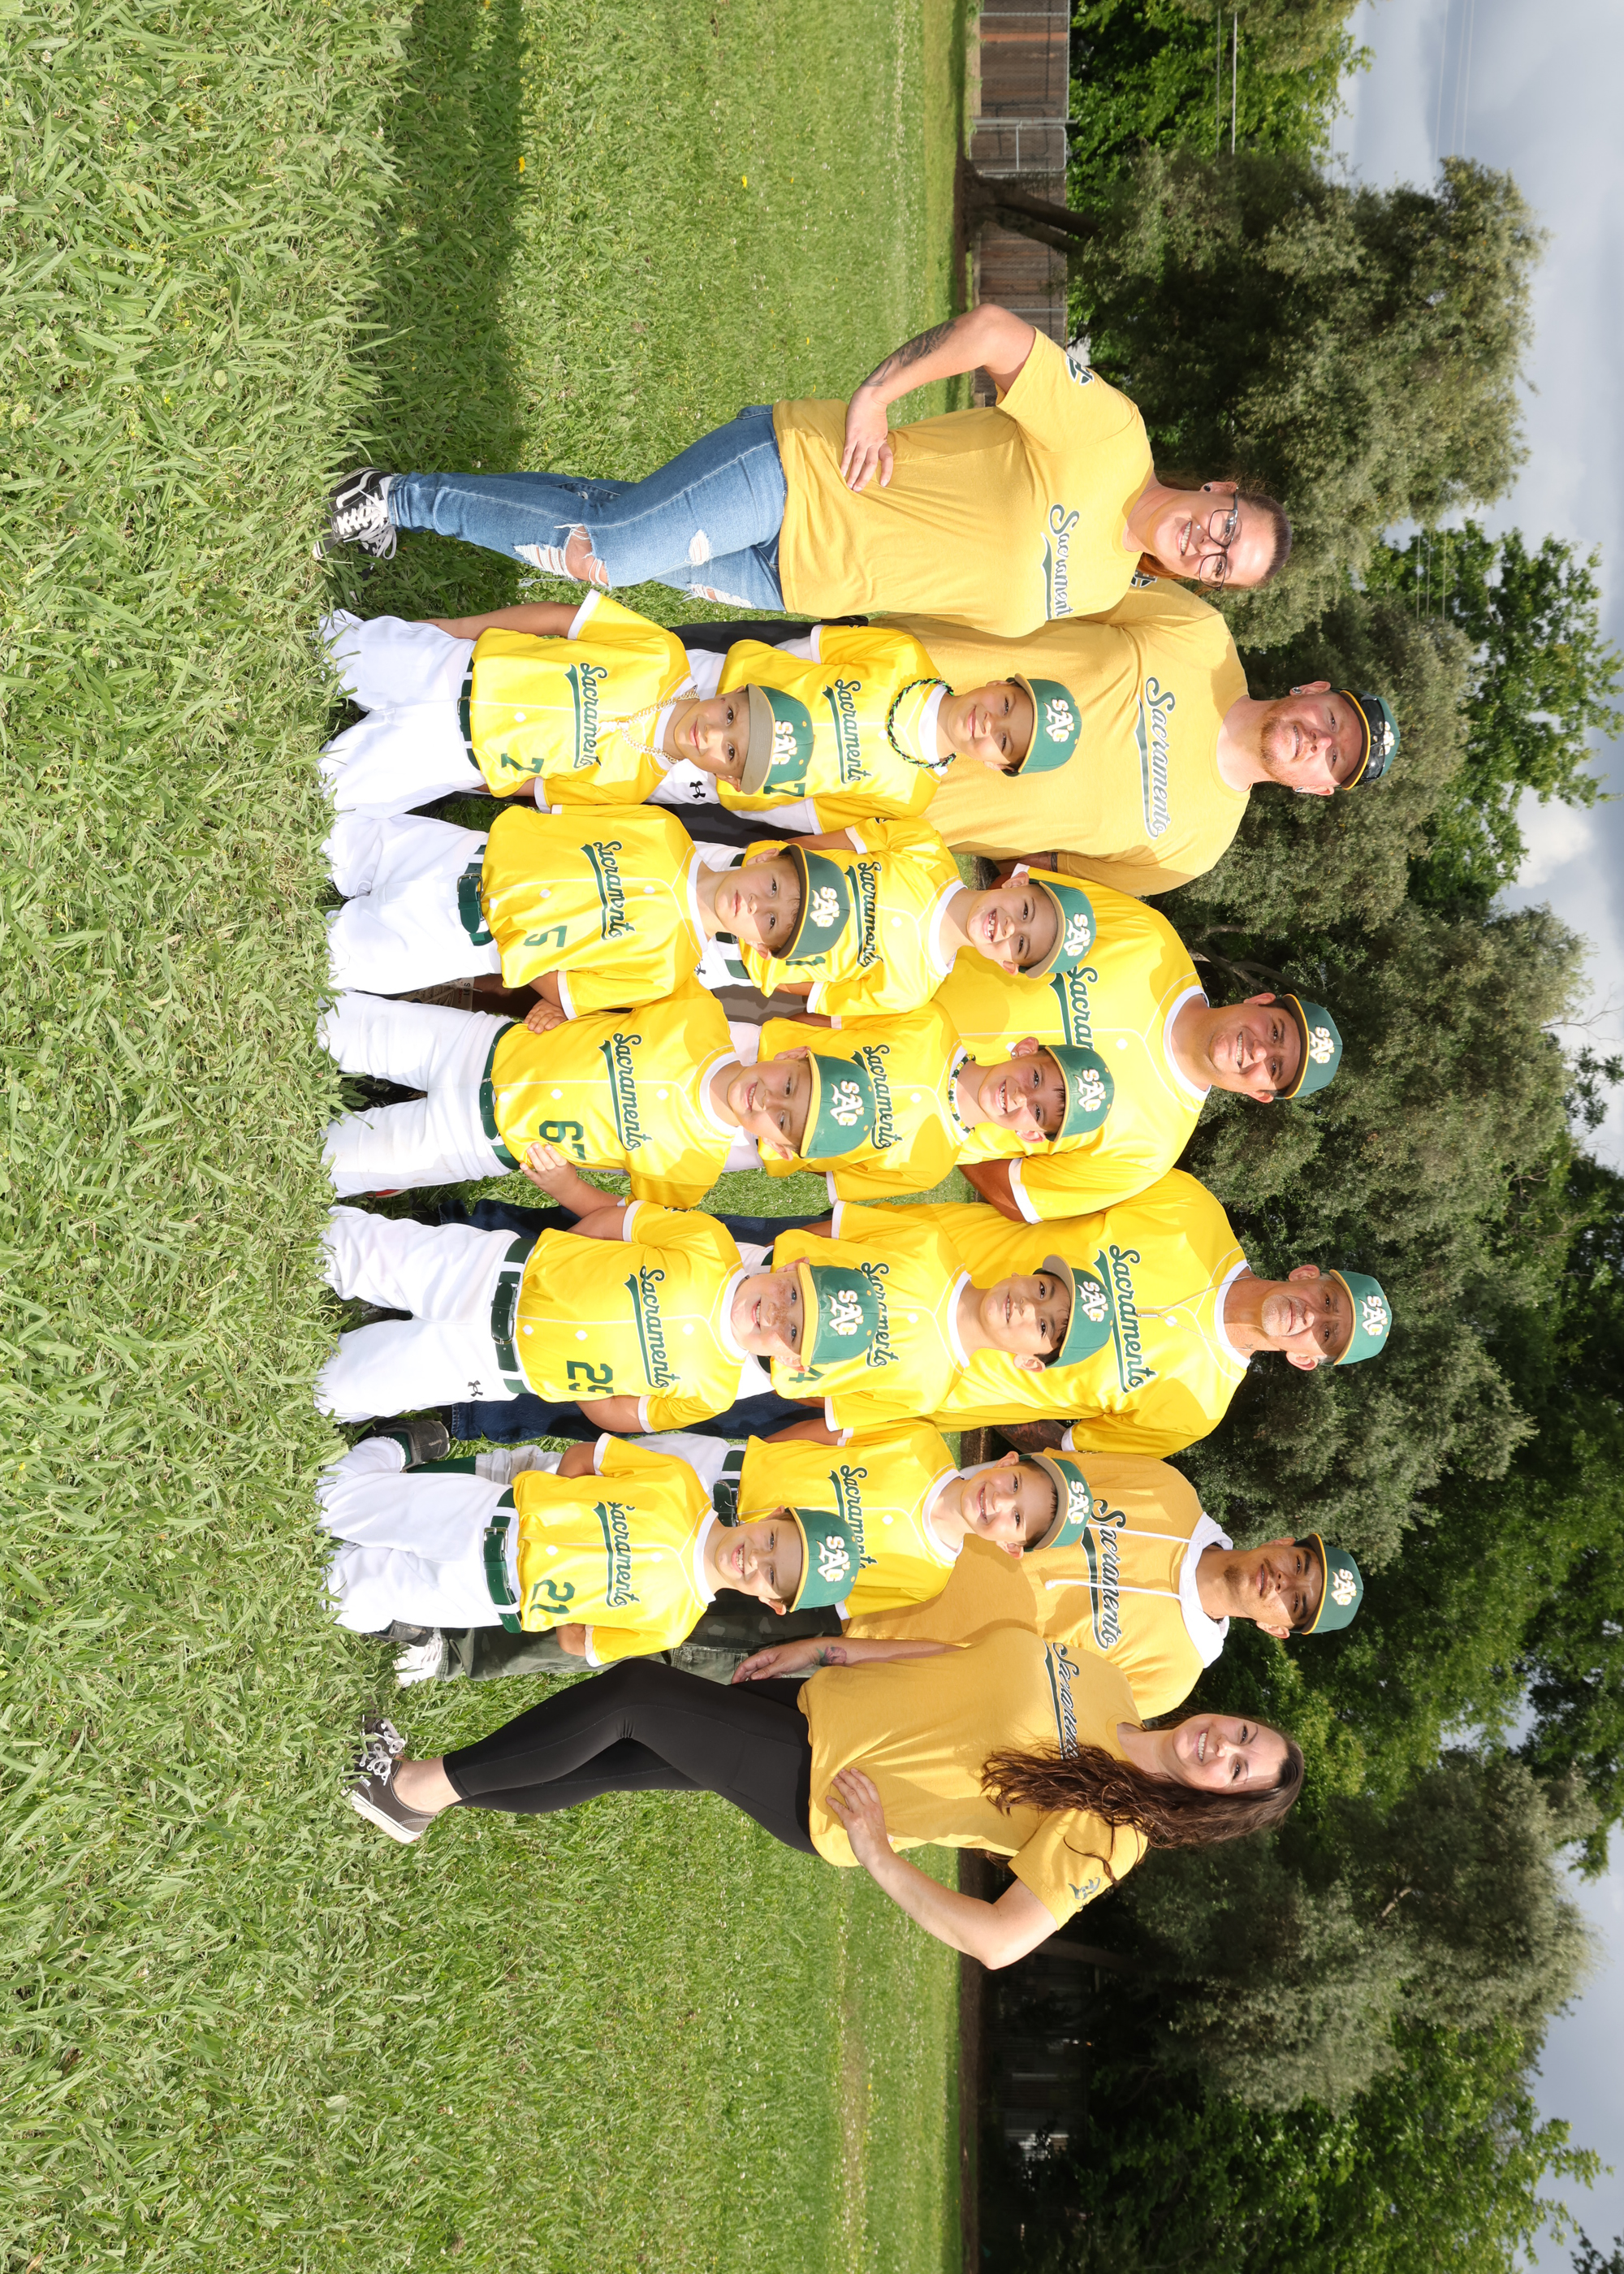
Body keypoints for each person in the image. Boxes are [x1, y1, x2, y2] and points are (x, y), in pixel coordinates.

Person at [344, 1542, 1305, 1968]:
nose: (1222, 1745)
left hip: (819, 1783)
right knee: (623, 1755)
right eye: (1242, 1734)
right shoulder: (1110, 1685)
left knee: (636, 1696)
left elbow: (998, 1941)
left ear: (1219, 1801)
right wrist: (831, 1648)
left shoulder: (1113, 1834)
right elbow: (961, 1653)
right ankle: (434, 1798)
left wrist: (881, 1856)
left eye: (1235, 1768)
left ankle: (412, 1790)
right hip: (815, 1702)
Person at [317, 303, 1290, 637]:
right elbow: (996, 333)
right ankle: (393, 497)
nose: (1207, 547)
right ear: (1219, 489)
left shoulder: (1102, 590)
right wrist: (875, 395)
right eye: (1227, 528)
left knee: (604, 522)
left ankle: (406, 499)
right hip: (804, 473)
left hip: (791, 580)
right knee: (604, 554)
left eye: (1221, 566)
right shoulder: (1114, 437)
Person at [387, 1420, 1061, 1688]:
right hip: (723, 1486)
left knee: (603, 1595)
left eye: (1015, 1521)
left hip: (743, 1567)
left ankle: (450, 1644)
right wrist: (754, 1465)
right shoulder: (921, 1444)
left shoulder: (927, 1578)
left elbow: (833, 1601)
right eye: (1014, 1487)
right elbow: (825, 1437)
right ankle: (434, 1482)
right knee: (572, 1487)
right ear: (1005, 1461)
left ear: (1009, 1546)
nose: (999, 1504)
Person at [766, 1175, 1394, 1444]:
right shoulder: (1191, 1210)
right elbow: (1034, 1184)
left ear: (1308, 1360)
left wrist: (955, 1405)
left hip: (884, 1383)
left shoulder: (1194, 1411)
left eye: (1328, 1334)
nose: (1312, 1318)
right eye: (1327, 1301)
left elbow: (1061, 1448)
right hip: (872, 1263)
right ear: (1308, 1275)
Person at [317, 598, 1043, 827]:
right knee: (329, 645)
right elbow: (796, 653)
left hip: (701, 764)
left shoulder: (908, 793)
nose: (991, 724)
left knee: (328, 792)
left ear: (1001, 767)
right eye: (1006, 705)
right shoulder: (904, 657)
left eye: (1005, 741)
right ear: (998, 683)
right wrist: (731, 697)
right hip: (707, 689)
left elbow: (796, 813)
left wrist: (733, 774)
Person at [883, 579, 1399, 890]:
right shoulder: (1201, 633)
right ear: (1313, 689)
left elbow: (1033, 873)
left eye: (1335, 760)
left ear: (1317, 788)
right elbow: (1052, 585)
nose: (1321, 741)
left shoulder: (1192, 855)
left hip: (878, 804)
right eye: (1334, 720)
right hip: (885, 670)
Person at [830, 1449, 1364, 1718]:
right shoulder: (1168, 1491)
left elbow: (1033, 1705)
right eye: (1299, 1564)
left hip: (878, 1654)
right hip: (890, 1550)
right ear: (1284, 1541)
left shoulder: (1172, 1677)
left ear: (1278, 1629)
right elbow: (1034, 1473)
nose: (1283, 1581)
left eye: (1297, 1603)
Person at [933, 901, 1345, 1219]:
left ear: (1261, 1094)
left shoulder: (1152, 1153)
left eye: (1275, 1068)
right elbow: (1020, 897)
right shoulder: (1153, 938)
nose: (1259, 1050)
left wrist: (950, 1129)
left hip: (911, 1109)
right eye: (1276, 1032)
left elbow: (1016, 1195)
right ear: (1260, 1000)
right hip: (907, 976)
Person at [321, 983, 905, 1201]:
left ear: (776, 1149)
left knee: (327, 1164)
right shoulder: (697, 1012)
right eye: (789, 1086)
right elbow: (615, 980)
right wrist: (567, 1004)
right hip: (483, 1044)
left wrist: (567, 1187)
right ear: (792, 1054)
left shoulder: (692, 1167)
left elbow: (624, 1220)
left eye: (784, 1121)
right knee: (335, 1022)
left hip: (478, 1139)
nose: (769, 1101)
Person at [319, 1428, 859, 1663]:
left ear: (772, 1603)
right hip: (488, 1517)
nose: (755, 1559)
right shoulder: (681, 1485)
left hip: (489, 1598)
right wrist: (559, 1507)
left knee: (332, 1593)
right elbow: (584, 1458)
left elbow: (579, 1641)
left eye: (772, 1575)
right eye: (771, 1540)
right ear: (772, 1514)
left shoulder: (673, 1623)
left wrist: (569, 1589)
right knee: (330, 1503)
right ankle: (390, 1451)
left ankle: (374, 1591)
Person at [323, 799, 797, 1006]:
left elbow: (568, 992)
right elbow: (565, 821)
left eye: (771, 922)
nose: (758, 904)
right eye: (773, 886)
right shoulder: (665, 830)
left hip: (463, 941)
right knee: (331, 840)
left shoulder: (670, 969)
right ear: (766, 856)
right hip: (461, 855)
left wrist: (520, 946)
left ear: (760, 949)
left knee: (326, 957)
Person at [746, 997, 1126, 1204]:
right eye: (1037, 1078)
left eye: (1038, 1112)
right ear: (1026, 1049)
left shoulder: (932, 1167)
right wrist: (770, 1057)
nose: (1021, 1095)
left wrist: (787, 1139)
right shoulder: (932, 1021)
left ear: (1031, 1135)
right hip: (756, 1057)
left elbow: (836, 1169)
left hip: (758, 1142)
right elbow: (827, 1023)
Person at [723, 818, 1087, 1017]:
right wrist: (762, 867)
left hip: (738, 959)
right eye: (1025, 910)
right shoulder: (925, 846)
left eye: (1021, 944)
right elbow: (818, 847)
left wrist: (759, 964)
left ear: (1009, 966)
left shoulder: (914, 991)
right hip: (742, 873)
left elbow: (819, 991)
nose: (1010, 927)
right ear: (1016, 882)